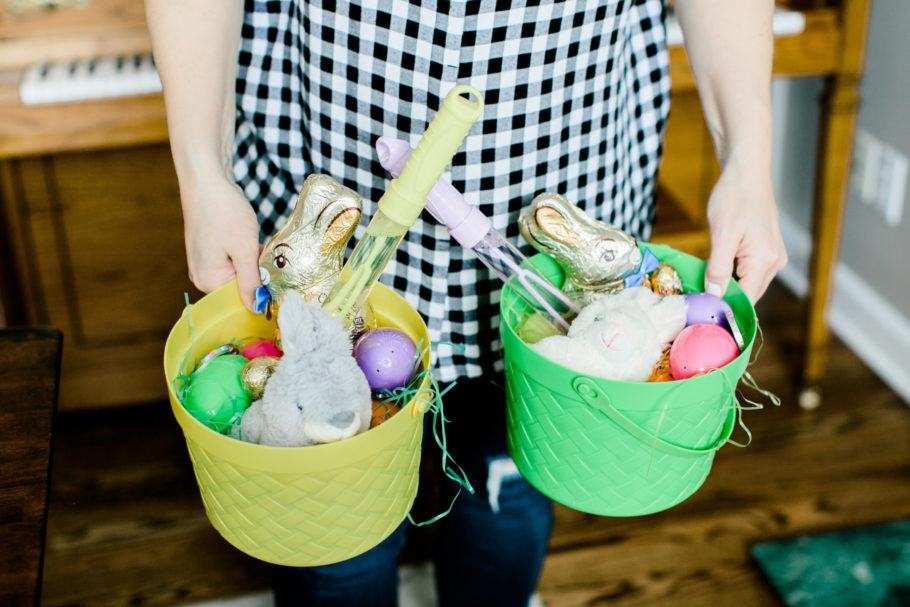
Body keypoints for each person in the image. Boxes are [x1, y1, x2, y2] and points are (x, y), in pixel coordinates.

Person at [146, 1, 787, 605]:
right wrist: (202, 169)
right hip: (326, 154)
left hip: (563, 179)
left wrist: (750, 161)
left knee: (508, 483)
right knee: (332, 527)